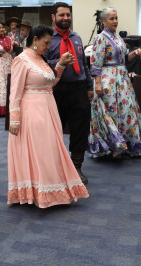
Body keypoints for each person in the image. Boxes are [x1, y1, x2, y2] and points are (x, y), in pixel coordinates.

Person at [8, 25, 89, 208]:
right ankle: (38, 193)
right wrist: (14, 118)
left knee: (49, 149)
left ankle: (51, 190)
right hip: (32, 112)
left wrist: (60, 65)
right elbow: (15, 93)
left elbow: (50, 83)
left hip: (48, 110)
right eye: (45, 43)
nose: (48, 46)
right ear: (35, 39)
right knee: (40, 151)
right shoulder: (22, 60)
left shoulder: (40, 59)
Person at [88, 7, 141, 159]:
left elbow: (124, 59)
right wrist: (97, 84)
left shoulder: (118, 37)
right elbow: (95, 63)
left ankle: (124, 143)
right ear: (103, 21)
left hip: (122, 78)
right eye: (111, 18)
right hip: (108, 80)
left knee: (125, 111)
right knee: (110, 111)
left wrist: (135, 53)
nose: (115, 21)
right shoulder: (101, 38)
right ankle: (114, 145)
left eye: (116, 18)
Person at [46, 2, 93, 183]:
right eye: (61, 15)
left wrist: (89, 87)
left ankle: (76, 168)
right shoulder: (47, 38)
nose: (66, 18)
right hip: (56, 91)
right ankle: (55, 169)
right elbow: (40, 64)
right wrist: (60, 62)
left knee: (80, 131)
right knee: (54, 131)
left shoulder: (76, 37)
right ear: (53, 17)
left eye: (68, 15)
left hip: (79, 90)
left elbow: (83, 65)